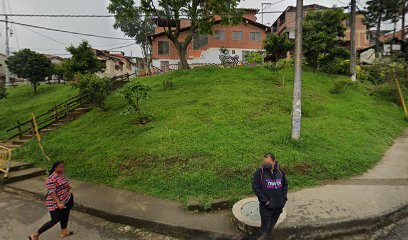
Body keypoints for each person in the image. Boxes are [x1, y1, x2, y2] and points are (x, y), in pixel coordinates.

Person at [29, 161, 74, 240]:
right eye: (60, 167)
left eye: (63, 166)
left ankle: (64, 231)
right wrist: (58, 203)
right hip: (56, 203)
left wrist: (68, 186)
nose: (63, 168)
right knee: (55, 219)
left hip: (67, 198)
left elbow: (64, 183)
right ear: (55, 168)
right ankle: (36, 235)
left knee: (65, 214)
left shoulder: (61, 174)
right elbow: (52, 192)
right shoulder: (51, 178)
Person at [252, 153, 288, 240]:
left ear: (274, 162)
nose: (266, 165)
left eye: (268, 163)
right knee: (265, 228)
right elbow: (256, 187)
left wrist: (283, 199)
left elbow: (285, 185)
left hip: (278, 206)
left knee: (271, 227)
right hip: (266, 208)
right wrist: (265, 201)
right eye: (264, 163)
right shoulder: (259, 172)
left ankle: (270, 236)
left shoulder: (280, 172)